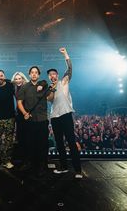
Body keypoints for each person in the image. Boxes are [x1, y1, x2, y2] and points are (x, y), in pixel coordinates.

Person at [47, 47, 83, 179]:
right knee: (59, 144)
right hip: (55, 117)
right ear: (49, 77)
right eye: (50, 75)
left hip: (66, 115)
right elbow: (50, 99)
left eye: (54, 74)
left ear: (57, 75)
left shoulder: (64, 82)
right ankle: (63, 167)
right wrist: (51, 89)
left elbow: (70, 68)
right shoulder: (49, 88)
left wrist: (65, 54)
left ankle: (78, 170)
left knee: (71, 143)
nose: (52, 76)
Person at [17, 66, 54, 178]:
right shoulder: (24, 87)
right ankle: (29, 163)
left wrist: (52, 90)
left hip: (42, 119)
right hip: (30, 120)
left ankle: (42, 166)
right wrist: (24, 113)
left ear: (38, 75)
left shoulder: (44, 85)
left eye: (36, 73)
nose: (34, 74)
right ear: (29, 74)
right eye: (32, 72)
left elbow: (50, 98)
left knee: (42, 144)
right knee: (29, 143)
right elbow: (19, 102)